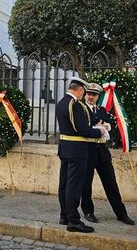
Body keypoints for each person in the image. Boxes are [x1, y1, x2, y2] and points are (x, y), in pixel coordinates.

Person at [56, 77, 108, 233]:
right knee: (73, 187)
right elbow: (83, 130)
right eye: (83, 92)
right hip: (77, 151)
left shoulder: (61, 103)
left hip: (65, 148)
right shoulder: (75, 105)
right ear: (79, 90)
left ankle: (64, 215)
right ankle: (73, 220)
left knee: (64, 184)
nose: (83, 95)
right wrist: (100, 131)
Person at [80, 83, 135, 226]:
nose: (90, 97)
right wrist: (99, 127)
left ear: (98, 96)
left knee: (111, 183)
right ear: (85, 94)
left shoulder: (102, 110)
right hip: (87, 151)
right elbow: (85, 129)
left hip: (102, 152)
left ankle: (121, 213)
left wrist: (103, 127)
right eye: (88, 94)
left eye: (94, 95)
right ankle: (88, 211)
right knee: (86, 184)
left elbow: (109, 126)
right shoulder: (81, 109)